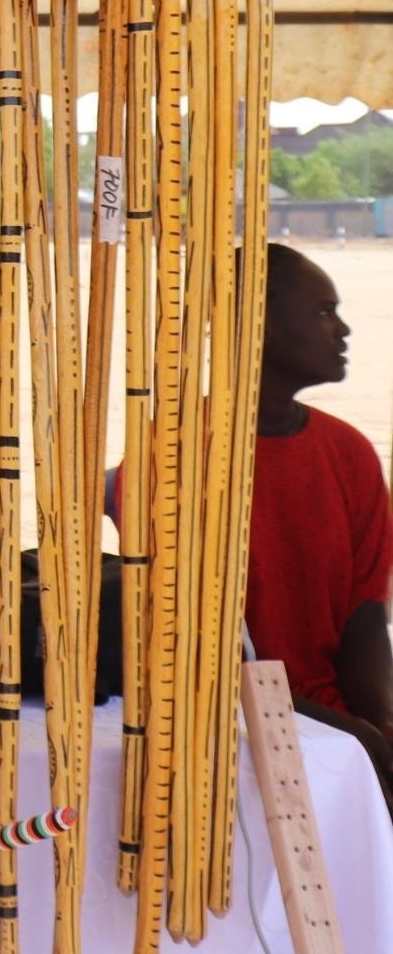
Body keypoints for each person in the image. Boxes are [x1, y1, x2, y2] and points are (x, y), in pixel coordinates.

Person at [244, 243, 393, 810]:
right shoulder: (179, 454)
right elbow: (204, 652)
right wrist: (342, 729)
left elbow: (365, 622)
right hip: (233, 724)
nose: (344, 329)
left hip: (335, 716)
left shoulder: (348, 453)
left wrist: (376, 720)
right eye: (324, 312)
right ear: (261, 324)